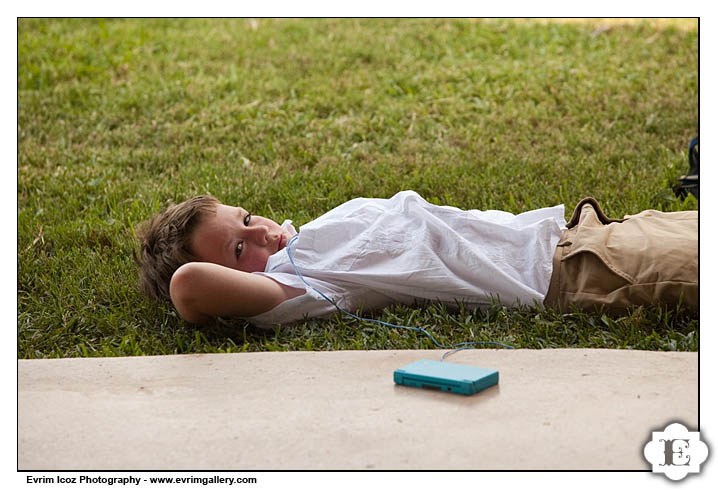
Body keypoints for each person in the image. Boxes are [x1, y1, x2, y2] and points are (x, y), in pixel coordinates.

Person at [135, 190, 697, 327]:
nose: (262, 238)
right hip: (578, 271)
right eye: (241, 250)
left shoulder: (299, 239)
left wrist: (243, 236)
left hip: (585, 231)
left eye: (249, 220)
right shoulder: (294, 286)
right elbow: (188, 285)